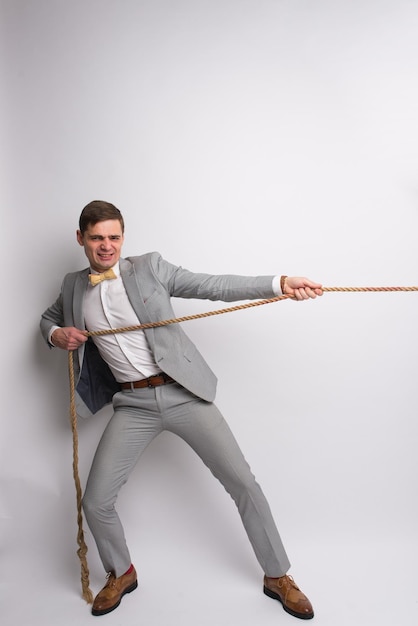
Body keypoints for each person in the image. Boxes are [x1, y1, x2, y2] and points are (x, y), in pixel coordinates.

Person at [40, 200, 323, 620]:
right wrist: (56, 334)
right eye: (97, 238)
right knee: (96, 500)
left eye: (114, 237)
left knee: (243, 483)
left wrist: (279, 282)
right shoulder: (72, 285)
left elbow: (214, 285)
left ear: (123, 238)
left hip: (183, 393)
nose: (106, 246)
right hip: (132, 405)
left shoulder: (149, 267)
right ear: (80, 238)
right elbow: (48, 319)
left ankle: (277, 575)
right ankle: (122, 571)